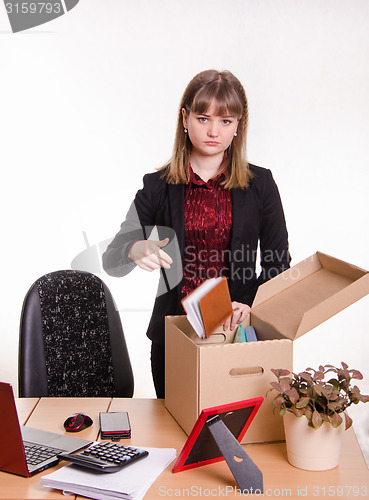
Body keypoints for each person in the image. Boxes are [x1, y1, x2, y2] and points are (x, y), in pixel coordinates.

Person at [103, 69, 290, 398]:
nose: (214, 131)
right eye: (204, 119)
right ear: (185, 118)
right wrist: (134, 248)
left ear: (238, 126)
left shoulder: (261, 184)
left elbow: (279, 264)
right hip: (174, 339)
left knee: (231, 437)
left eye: (226, 121)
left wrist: (251, 304)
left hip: (237, 337)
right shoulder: (157, 186)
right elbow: (112, 259)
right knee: (175, 436)